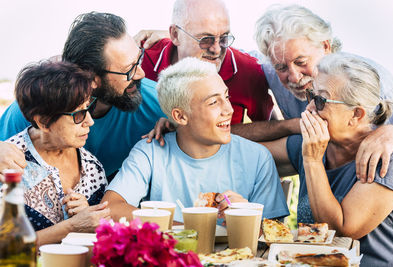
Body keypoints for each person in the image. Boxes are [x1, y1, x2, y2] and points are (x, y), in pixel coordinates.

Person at [102, 57, 289, 222]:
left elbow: (274, 232)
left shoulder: (257, 157)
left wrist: (245, 215)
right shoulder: (150, 152)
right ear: (180, 117)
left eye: (226, 97)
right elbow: (111, 208)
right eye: (214, 102)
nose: (229, 110)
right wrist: (186, 232)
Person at [264, 53, 393, 266]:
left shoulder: (387, 161)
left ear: (355, 114)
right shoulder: (317, 143)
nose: (309, 109)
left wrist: (312, 161)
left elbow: (341, 231)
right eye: (311, 96)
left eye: (320, 101)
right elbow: (248, 152)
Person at [0, 12, 165, 179]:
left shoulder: (159, 101)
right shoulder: (38, 107)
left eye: (139, 60)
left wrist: (177, 127)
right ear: (91, 76)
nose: (141, 74)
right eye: (128, 70)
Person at [255, 4, 393, 182]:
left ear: (325, 47)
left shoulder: (373, 83)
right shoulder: (270, 71)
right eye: (281, 67)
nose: (293, 77)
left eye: (301, 62)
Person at [138, 0, 300, 141]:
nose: (216, 50)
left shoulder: (249, 71)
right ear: (175, 34)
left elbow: (268, 125)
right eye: (205, 40)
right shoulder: (141, 58)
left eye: (224, 38)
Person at [0, 61, 110, 246]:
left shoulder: (93, 168)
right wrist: (71, 227)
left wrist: (91, 218)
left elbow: (103, 239)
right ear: (43, 122)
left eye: (87, 108)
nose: (90, 121)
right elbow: (5, 247)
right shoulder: (7, 164)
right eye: (78, 115)